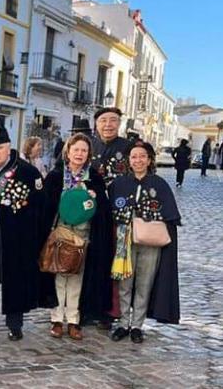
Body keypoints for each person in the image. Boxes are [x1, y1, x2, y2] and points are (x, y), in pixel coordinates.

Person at [0, 119, 45, 341]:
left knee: (14, 279)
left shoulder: (27, 172)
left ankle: (15, 325)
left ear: (9, 147)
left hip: (14, 236)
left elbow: (39, 209)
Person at [39, 133, 113, 341]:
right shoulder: (56, 176)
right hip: (60, 234)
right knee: (58, 275)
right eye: (76, 150)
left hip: (84, 235)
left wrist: (95, 199)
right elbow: (46, 205)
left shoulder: (94, 178)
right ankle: (56, 318)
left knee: (77, 278)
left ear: (89, 154)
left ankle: (73, 320)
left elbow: (103, 210)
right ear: (68, 152)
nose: (79, 154)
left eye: (84, 150)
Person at [109, 140, 180, 343]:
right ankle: (123, 322)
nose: (138, 160)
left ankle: (137, 325)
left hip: (150, 242)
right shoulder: (119, 184)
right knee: (124, 283)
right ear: (129, 161)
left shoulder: (159, 184)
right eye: (134, 157)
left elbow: (169, 214)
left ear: (149, 160)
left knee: (144, 283)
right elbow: (111, 211)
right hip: (125, 241)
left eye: (142, 156)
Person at [91, 107, 131, 188]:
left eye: (113, 120)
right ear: (96, 124)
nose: (108, 124)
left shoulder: (130, 147)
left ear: (119, 123)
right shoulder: (86, 145)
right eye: (103, 120)